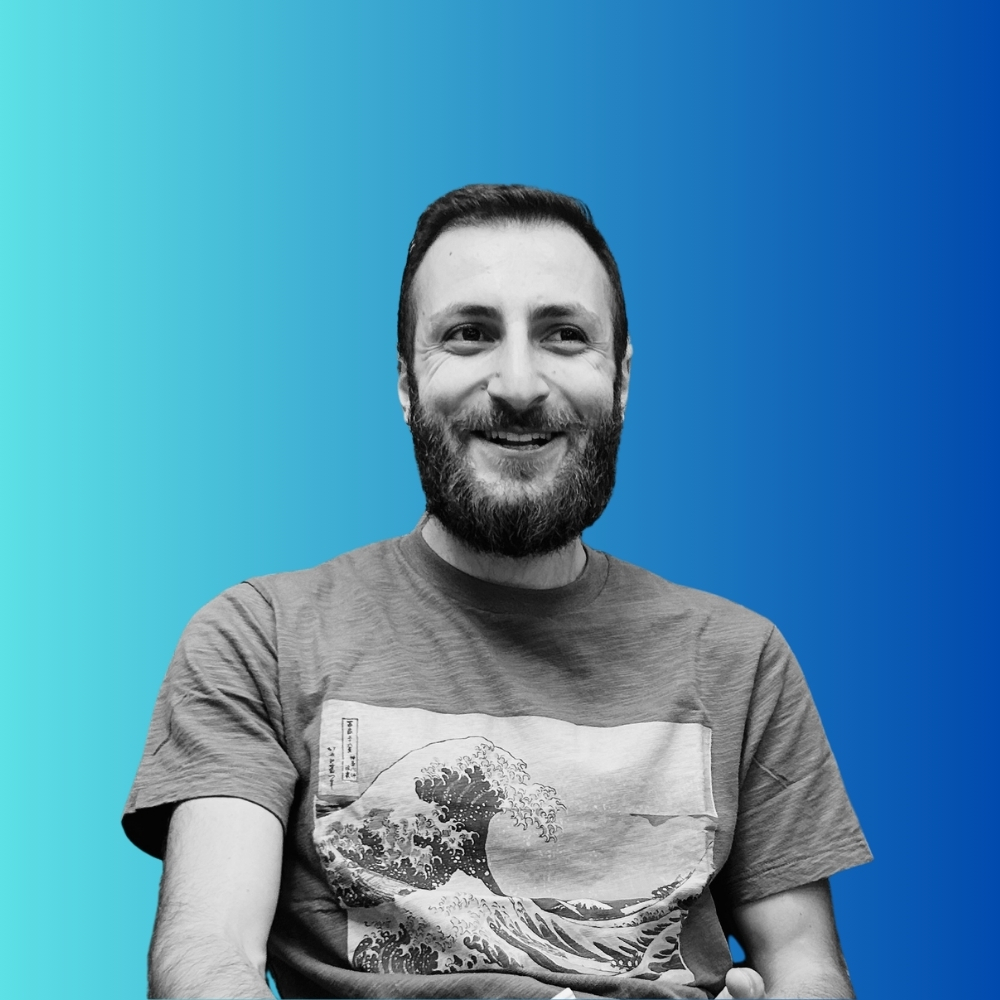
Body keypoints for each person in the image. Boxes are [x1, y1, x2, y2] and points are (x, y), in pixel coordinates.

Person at [123, 184, 871, 1000]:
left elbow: (807, 969)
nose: (518, 383)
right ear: (406, 382)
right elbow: (210, 957)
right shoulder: (260, 637)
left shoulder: (741, 660)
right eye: (470, 334)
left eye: (564, 335)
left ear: (622, 380)